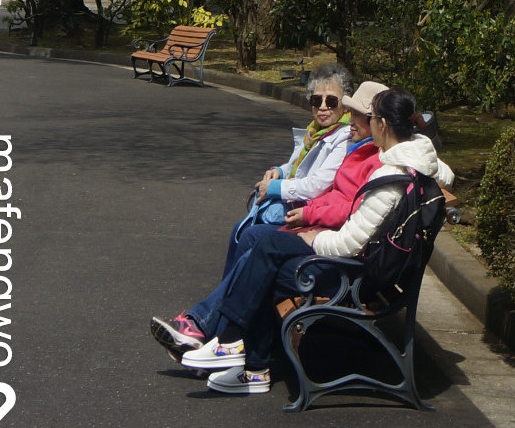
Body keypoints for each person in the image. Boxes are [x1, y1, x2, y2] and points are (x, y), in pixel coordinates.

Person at [180, 87, 453, 394]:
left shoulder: (389, 178)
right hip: (367, 264)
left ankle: (242, 354)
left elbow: (347, 244)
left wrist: (314, 236)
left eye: (370, 116)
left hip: (356, 275)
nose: (356, 120)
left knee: (265, 261)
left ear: (384, 125)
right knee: (265, 246)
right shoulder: (412, 158)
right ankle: (238, 352)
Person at [149, 63, 362, 355]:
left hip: (312, 224)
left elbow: (319, 187)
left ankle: (211, 331)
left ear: (347, 106)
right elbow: (297, 168)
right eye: (316, 100)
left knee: (253, 243)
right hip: (306, 217)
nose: (323, 107)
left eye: (331, 101)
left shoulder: (345, 140)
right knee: (244, 233)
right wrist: (276, 171)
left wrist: (276, 191)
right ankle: (213, 331)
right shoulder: (317, 132)